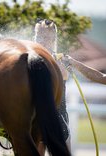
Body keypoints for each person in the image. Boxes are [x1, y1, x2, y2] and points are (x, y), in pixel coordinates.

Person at [34, 18, 71, 155]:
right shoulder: (29, 59)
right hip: (35, 117)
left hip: (58, 116)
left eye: (46, 37)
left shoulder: (60, 60)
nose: (41, 40)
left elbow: (63, 76)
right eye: (39, 36)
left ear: (53, 39)